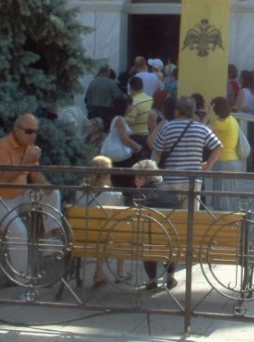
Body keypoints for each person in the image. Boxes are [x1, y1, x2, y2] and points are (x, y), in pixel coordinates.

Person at [0, 114, 63, 280]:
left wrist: (46, 186)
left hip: (20, 197)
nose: (32, 136)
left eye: (35, 132)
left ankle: (50, 242)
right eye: (28, 131)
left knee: (53, 194)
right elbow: (0, 182)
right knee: (19, 232)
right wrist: (25, 162)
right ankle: (23, 281)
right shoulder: (1, 147)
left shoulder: (29, 149)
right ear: (16, 130)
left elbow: (36, 178)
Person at [152, 96, 223, 210]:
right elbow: (218, 147)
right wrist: (208, 164)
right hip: (193, 180)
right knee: (191, 217)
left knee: (171, 216)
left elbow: (158, 150)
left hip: (172, 179)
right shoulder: (202, 129)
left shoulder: (167, 127)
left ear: (177, 111)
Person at [74, 156, 126, 287]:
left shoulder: (79, 192)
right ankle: (119, 274)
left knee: (104, 232)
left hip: (82, 238)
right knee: (120, 234)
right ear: (107, 173)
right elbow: (120, 218)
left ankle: (98, 274)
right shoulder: (114, 195)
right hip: (105, 238)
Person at [131, 159, 180, 290]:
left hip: (149, 239)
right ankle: (170, 275)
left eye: (136, 177)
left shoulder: (142, 194)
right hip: (169, 238)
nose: (134, 181)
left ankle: (152, 279)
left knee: (147, 239)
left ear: (143, 178)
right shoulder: (171, 191)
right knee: (167, 241)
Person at [208, 97, 243, 211]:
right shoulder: (232, 120)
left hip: (224, 161)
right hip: (234, 160)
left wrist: (208, 114)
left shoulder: (221, 123)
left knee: (222, 196)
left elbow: (204, 130)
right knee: (231, 194)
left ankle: (223, 222)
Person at [104, 95, 144, 196]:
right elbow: (124, 138)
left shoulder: (117, 118)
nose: (132, 107)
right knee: (125, 181)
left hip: (119, 156)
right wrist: (137, 146)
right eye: (130, 104)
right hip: (121, 158)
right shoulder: (120, 119)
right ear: (125, 106)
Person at [85, 64, 124, 132]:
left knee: (93, 130)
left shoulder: (92, 82)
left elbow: (87, 98)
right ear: (108, 71)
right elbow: (118, 96)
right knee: (104, 131)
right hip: (106, 112)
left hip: (93, 110)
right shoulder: (111, 83)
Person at [126, 76, 153, 154]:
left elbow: (130, 121)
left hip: (136, 136)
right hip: (148, 135)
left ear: (130, 88)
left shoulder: (133, 102)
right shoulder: (150, 99)